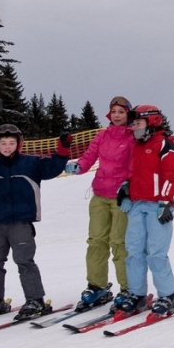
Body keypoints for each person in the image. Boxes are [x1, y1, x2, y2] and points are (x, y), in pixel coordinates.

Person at [0, 124, 72, 321]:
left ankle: (35, 300)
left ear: (19, 144)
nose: (7, 147)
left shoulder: (31, 163)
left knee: (24, 261)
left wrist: (62, 151)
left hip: (21, 223)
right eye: (3, 143)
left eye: (11, 143)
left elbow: (52, 168)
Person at [63, 96, 135, 310]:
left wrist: (128, 185)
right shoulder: (102, 135)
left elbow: (134, 165)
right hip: (100, 195)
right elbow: (90, 156)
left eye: (121, 112)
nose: (117, 115)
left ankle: (128, 288)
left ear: (127, 114)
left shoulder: (132, 137)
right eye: (114, 111)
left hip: (121, 197)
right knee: (96, 241)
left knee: (119, 242)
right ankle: (97, 286)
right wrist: (78, 166)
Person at [112, 104, 174, 317]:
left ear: (151, 122)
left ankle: (167, 296)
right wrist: (125, 188)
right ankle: (137, 294)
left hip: (157, 206)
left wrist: (165, 201)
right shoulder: (136, 146)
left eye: (138, 123)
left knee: (156, 253)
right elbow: (133, 174)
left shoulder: (165, 145)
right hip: (136, 205)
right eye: (133, 124)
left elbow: (171, 176)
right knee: (133, 252)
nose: (134, 127)